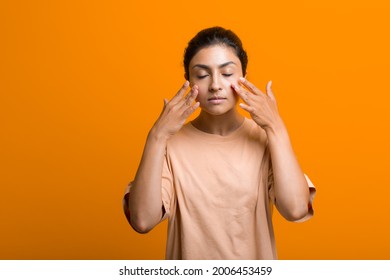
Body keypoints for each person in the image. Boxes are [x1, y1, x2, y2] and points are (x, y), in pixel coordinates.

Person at [123, 26, 316, 259]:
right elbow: (142, 220)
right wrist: (156, 137)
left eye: (226, 73)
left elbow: (295, 210)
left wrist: (276, 128)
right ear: (188, 80)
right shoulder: (169, 144)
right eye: (202, 75)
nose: (215, 85)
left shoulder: (265, 139)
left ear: (244, 75)